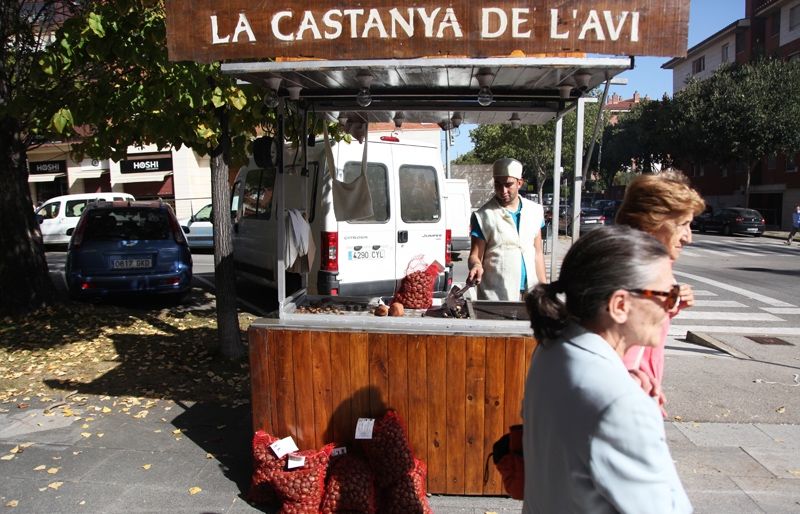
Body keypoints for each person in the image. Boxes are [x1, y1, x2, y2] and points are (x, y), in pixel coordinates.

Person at [523, 226, 692, 513]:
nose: (671, 307)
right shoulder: (623, 404)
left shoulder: (552, 348)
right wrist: (639, 405)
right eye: (667, 295)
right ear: (620, 305)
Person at [615, 171, 705, 412]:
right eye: (683, 225)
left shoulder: (652, 264)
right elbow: (620, 342)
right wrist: (639, 393)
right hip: (628, 402)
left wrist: (672, 304)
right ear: (652, 222)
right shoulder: (634, 269)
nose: (689, 238)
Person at [467, 158, 546, 301]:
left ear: (519, 183)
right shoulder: (483, 216)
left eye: (508, 184)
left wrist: (545, 289)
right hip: (497, 296)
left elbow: (538, 253)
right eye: (498, 184)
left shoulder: (535, 211)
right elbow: (475, 255)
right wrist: (476, 265)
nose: (503, 190)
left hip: (532, 294)